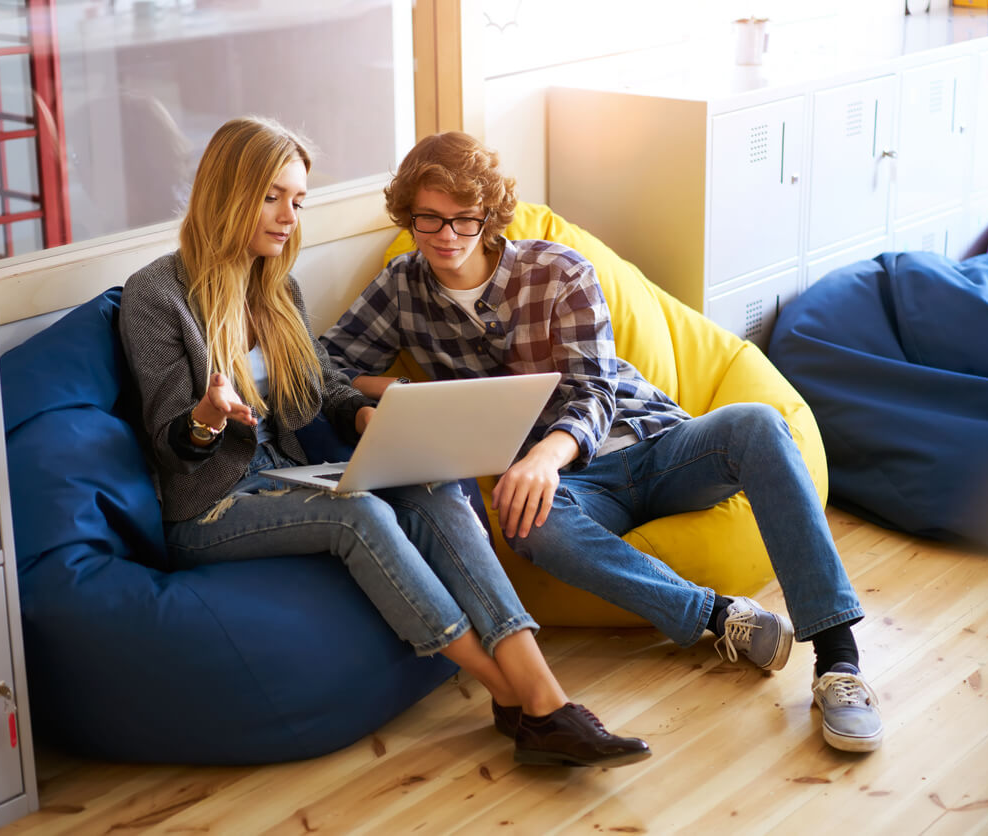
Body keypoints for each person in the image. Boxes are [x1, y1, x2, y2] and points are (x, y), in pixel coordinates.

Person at [321, 130, 884, 753]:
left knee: (759, 421)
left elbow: (595, 391)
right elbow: (321, 366)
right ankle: (718, 616)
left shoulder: (558, 270)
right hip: (577, 492)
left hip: (653, 445)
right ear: (408, 215)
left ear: (489, 216)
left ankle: (839, 661)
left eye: (463, 219)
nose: (446, 236)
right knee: (529, 526)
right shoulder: (402, 287)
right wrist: (395, 387)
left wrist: (543, 455)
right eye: (428, 220)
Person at [117, 117, 649, 768]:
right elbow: (176, 446)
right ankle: (519, 695)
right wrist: (205, 415)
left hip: (280, 477)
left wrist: (369, 417)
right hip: (210, 507)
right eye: (273, 197)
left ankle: (536, 695)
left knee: (425, 478)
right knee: (358, 511)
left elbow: (317, 391)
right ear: (228, 193)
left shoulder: (274, 288)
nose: (289, 217)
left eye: (298, 200)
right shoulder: (156, 297)